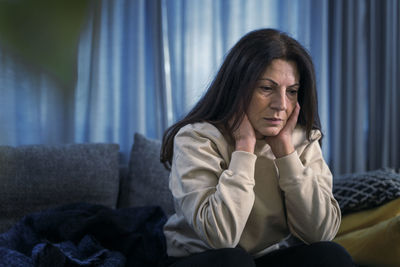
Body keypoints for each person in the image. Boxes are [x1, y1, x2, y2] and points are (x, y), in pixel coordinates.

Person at [160, 28, 354, 266]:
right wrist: (244, 147)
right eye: (266, 88)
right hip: (203, 259)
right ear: (238, 88)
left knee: (332, 256)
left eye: (291, 92)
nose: (281, 105)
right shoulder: (196, 138)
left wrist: (286, 153)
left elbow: (320, 233)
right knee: (234, 261)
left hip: (263, 258)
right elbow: (221, 237)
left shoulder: (302, 140)